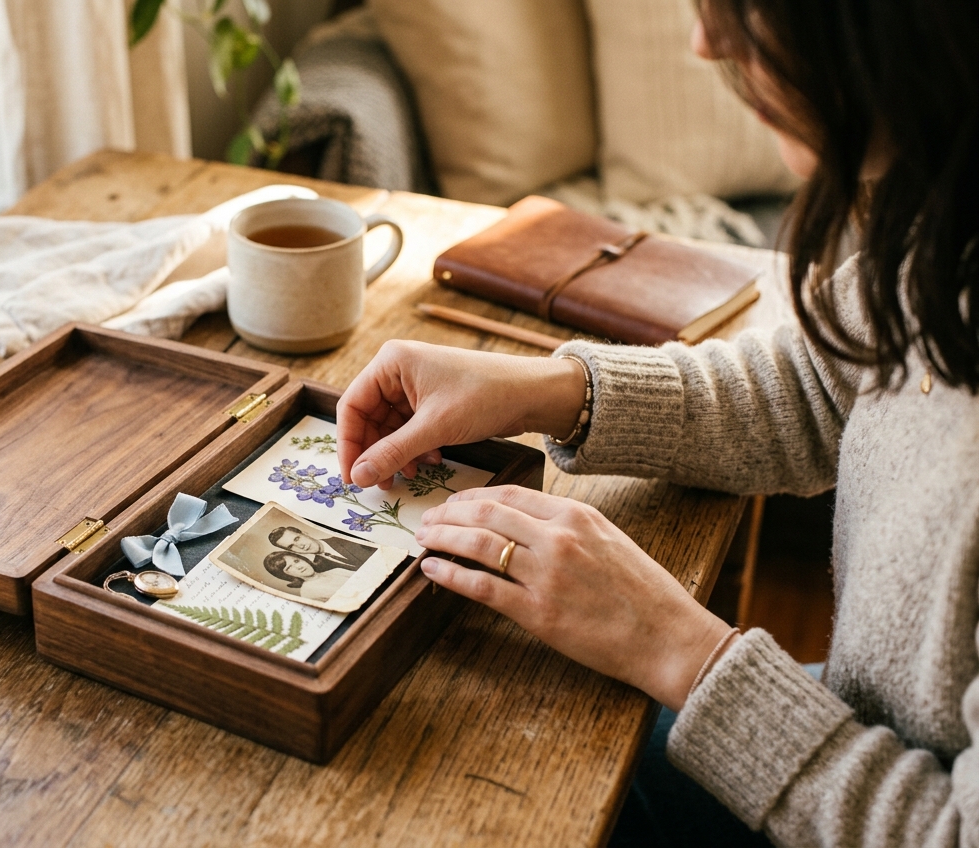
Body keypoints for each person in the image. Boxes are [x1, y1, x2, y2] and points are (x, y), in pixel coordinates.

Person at [335, 0, 977, 845]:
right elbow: (821, 386)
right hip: (866, 731)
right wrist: (549, 387)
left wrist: (679, 647)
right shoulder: (947, 217)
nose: (704, 42)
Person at [267, 525, 373, 571]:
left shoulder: (346, 537)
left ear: (305, 533)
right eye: (291, 546)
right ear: (290, 551)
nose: (300, 546)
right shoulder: (319, 568)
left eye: (297, 539)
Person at [262, 550, 352, 602]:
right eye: (289, 567)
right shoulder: (309, 594)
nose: (299, 566)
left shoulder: (336, 571)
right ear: (286, 575)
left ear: (303, 559)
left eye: (296, 561)